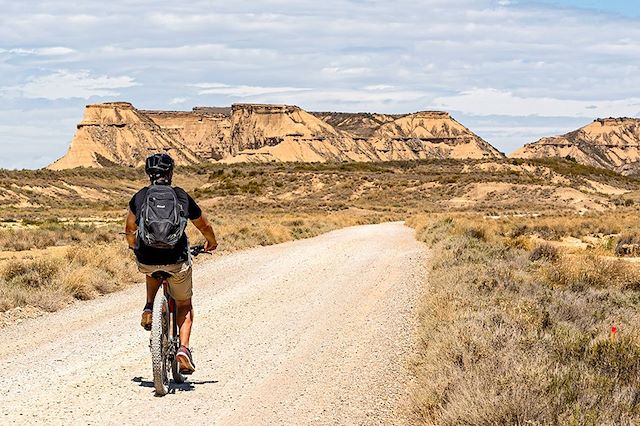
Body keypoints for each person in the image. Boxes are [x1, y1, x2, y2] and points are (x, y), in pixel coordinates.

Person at [125, 153, 217, 374]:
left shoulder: (140, 197)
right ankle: (183, 349)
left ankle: (149, 307)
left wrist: (133, 246)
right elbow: (204, 226)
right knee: (184, 305)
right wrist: (211, 242)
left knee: (151, 268)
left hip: (147, 259)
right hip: (176, 261)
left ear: (149, 174)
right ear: (170, 173)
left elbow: (130, 230)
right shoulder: (180, 196)